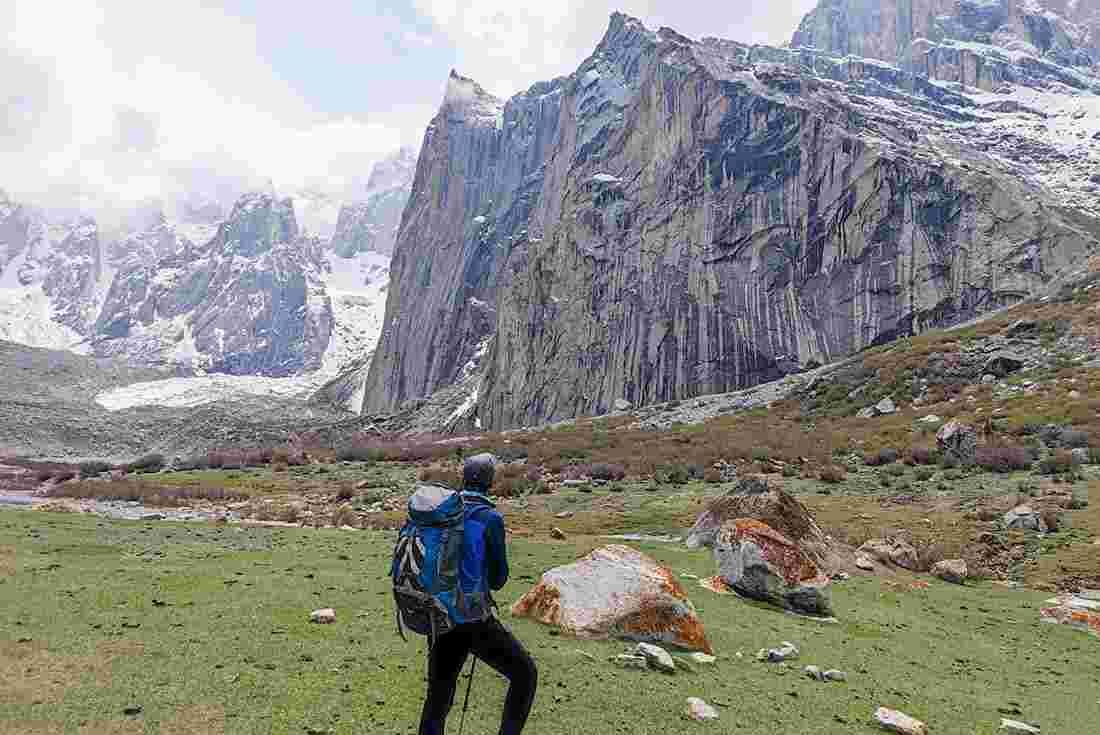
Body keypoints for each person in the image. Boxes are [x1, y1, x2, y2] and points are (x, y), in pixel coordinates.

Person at [418, 453, 539, 735]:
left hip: (439, 613)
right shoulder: (490, 518)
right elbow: (498, 580)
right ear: (490, 482)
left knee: (439, 694)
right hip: (473, 619)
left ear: (463, 478)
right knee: (525, 674)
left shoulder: (443, 511)